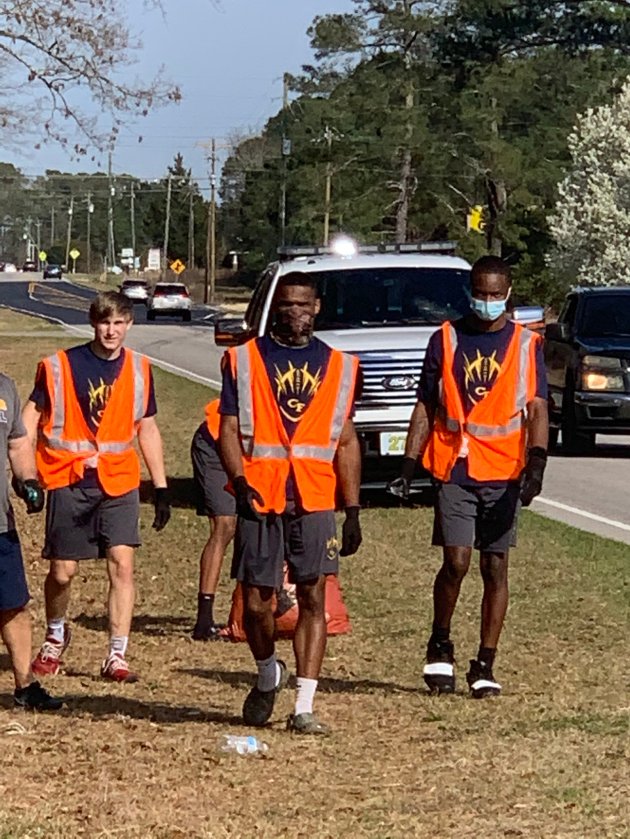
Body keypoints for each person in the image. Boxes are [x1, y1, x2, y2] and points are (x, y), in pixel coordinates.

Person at [388, 255, 548, 698]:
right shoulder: (445, 338)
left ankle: (486, 662)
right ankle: (440, 642)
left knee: (494, 565)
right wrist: (408, 462)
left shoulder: (525, 345)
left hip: (505, 470)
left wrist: (537, 462)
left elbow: (536, 407)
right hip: (455, 467)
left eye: (496, 295)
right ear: (470, 292)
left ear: (509, 293)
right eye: (481, 293)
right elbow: (426, 404)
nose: (488, 301)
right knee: (456, 562)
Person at [219, 271, 363, 736]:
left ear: (316, 308)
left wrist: (354, 508)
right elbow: (227, 427)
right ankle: (267, 672)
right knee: (258, 604)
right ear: (273, 307)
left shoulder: (341, 366)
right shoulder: (243, 360)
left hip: (316, 496)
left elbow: (345, 440)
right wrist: (239, 482)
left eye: (303, 304)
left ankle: (304, 704)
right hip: (260, 493)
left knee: (313, 597)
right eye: (286, 304)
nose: (294, 312)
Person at [22, 290, 171, 684]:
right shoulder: (59, 366)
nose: (112, 331)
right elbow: (30, 419)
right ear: (94, 323)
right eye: (105, 323)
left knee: (122, 564)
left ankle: (116, 655)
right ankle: (55, 637)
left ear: (129, 325)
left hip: (118, 480)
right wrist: (26, 475)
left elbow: (147, 427)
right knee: (62, 572)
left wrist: (160, 486)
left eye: (119, 323)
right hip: (69, 478)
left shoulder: (140, 368)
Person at [0, 370, 62, 710]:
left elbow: (18, 442)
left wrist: (27, 481)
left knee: (13, 605)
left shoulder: (5, 386)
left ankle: (25, 685)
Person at [190, 398, 236, 640]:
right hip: (216, 441)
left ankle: (245, 611)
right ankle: (204, 619)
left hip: (249, 448)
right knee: (225, 524)